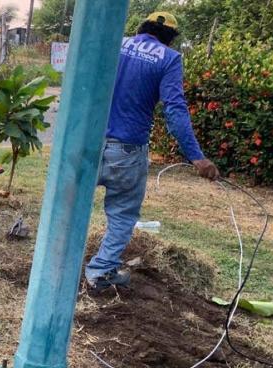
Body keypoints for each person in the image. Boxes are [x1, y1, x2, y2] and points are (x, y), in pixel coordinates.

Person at [86, 12, 220, 290]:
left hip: (88, 143)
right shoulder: (169, 59)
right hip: (127, 151)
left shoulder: (117, 44)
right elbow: (174, 110)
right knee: (123, 214)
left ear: (141, 28)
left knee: (72, 204)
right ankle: (99, 273)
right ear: (170, 38)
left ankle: (57, 262)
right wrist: (196, 156)